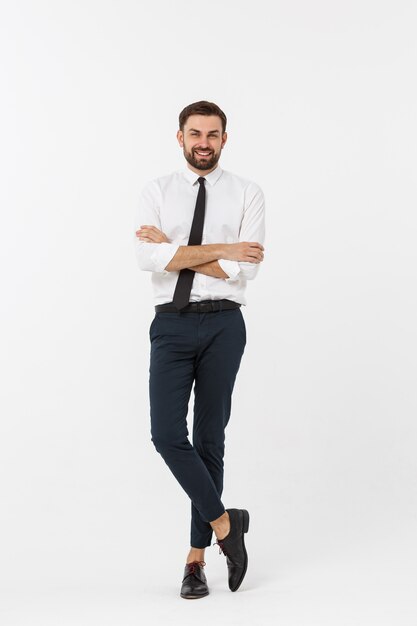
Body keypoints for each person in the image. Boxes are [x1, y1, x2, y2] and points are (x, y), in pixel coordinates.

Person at [133, 100, 265, 599]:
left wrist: (179, 252)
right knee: (167, 434)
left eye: (212, 134)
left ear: (224, 139)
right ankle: (227, 526)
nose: (203, 142)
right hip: (171, 325)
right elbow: (148, 258)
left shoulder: (248, 193)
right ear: (180, 137)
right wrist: (222, 250)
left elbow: (244, 270)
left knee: (210, 439)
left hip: (225, 326)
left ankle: (195, 560)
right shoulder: (156, 191)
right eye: (195, 134)